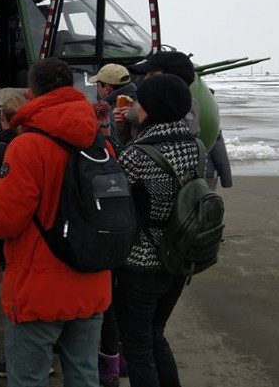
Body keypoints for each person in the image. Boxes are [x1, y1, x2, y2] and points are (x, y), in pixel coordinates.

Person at [0, 57, 110, 387]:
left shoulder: (27, 146)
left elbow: (4, 221)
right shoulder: (99, 141)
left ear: (31, 93)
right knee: (85, 376)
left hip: (38, 290)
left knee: (29, 379)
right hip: (91, 279)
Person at [114, 74, 201, 387]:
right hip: (178, 259)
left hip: (140, 265)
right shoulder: (196, 146)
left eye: (139, 101)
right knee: (155, 336)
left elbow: (119, 200)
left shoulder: (135, 156)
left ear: (148, 109)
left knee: (137, 347)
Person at [89, 63, 137, 150]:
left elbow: (117, 143)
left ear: (107, 88)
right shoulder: (138, 102)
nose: (97, 89)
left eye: (98, 85)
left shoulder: (112, 113)